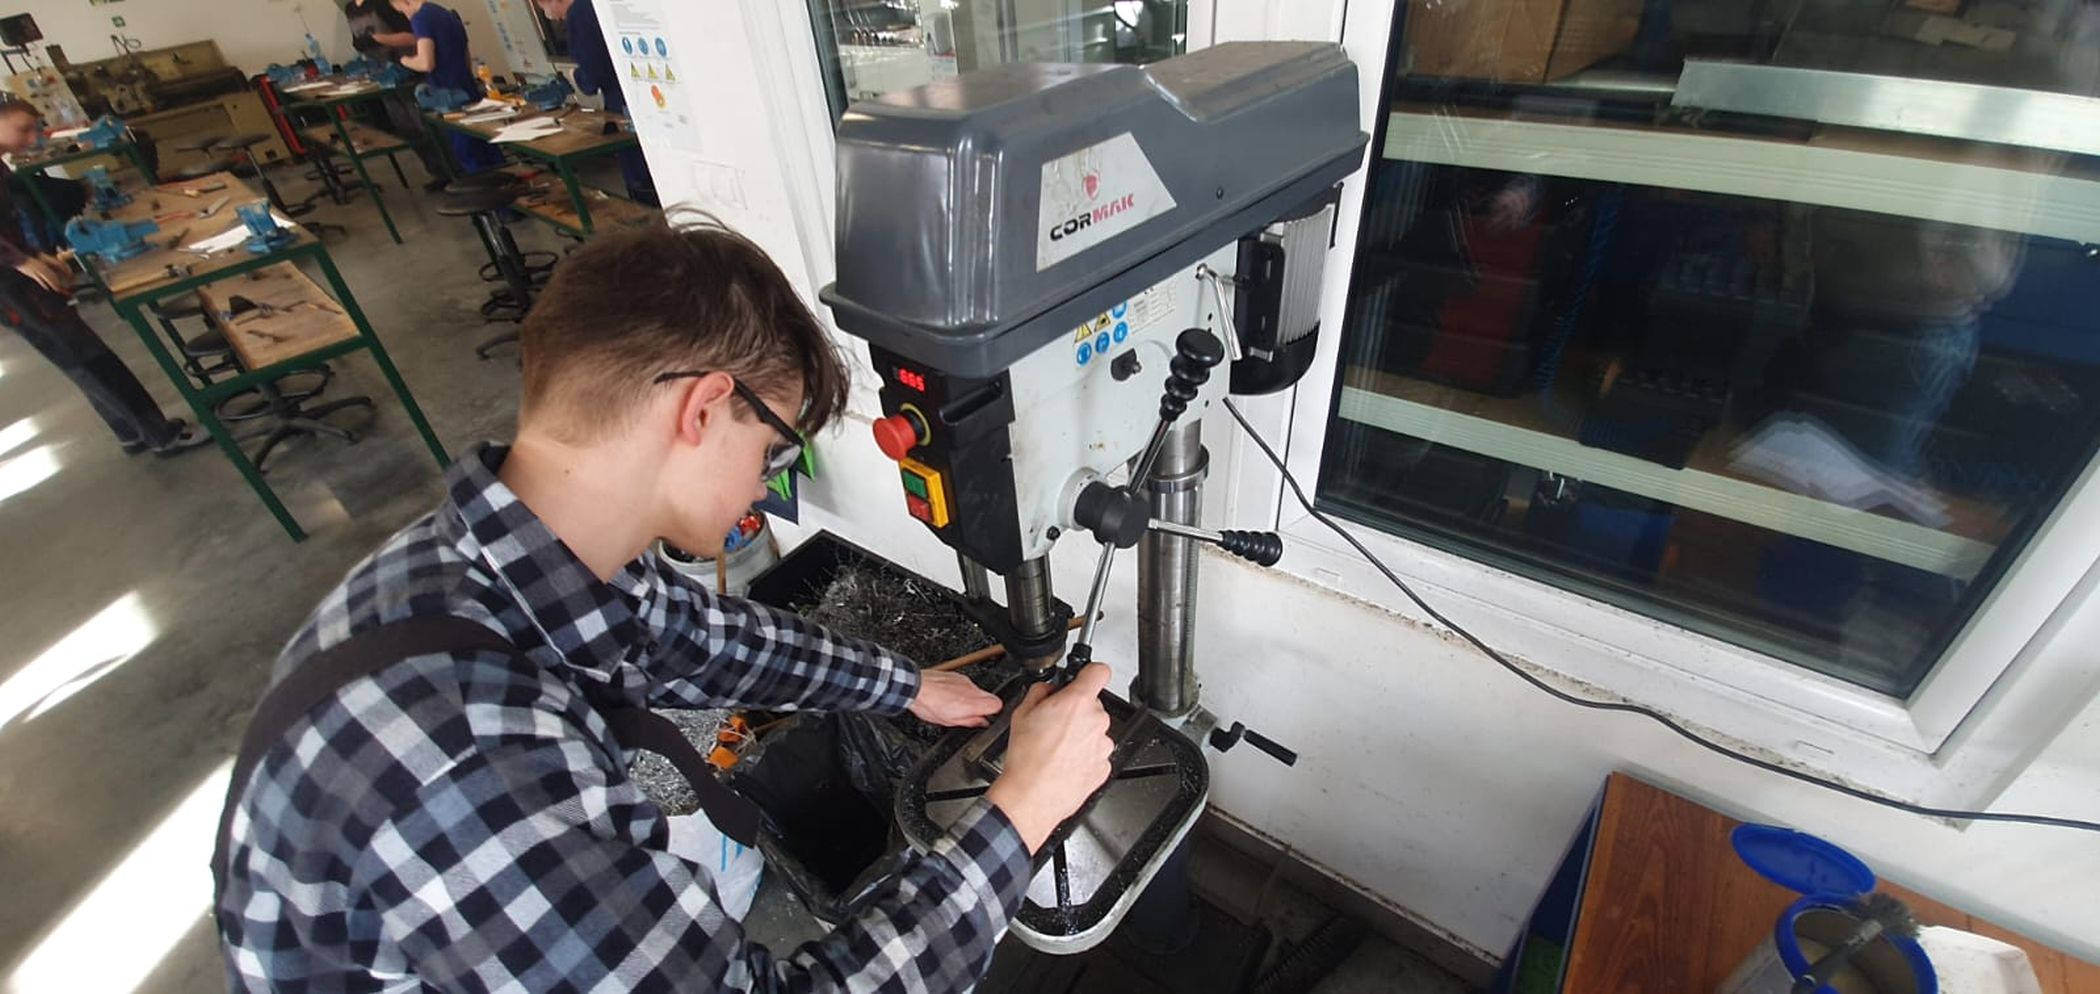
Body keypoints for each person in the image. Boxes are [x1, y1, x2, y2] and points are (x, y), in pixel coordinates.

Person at [216, 217, 1117, 991]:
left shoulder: (494, 560)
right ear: (704, 409)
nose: (763, 489)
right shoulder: (462, 751)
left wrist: (905, 686)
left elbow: (691, 637)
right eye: (772, 453)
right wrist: (1021, 814)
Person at [0, 98, 206, 456]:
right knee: (86, 356)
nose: (32, 139)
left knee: (74, 356)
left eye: (35, 129)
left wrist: (37, 255)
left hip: (15, 274)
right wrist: (20, 261)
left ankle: (130, 431)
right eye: (23, 130)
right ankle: (161, 436)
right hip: (10, 286)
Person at [533, 0, 658, 205]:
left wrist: (576, 76)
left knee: (642, 179)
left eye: (545, 7)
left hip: (624, 103)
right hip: (651, 95)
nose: (551, 16)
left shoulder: (579, 14)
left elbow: (592, 77)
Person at [343, 0, 452, 186]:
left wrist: (379, 39)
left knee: (426, 124)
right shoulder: (350, 9)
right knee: (406, 128)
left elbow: (413, 36)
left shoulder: (382, 4)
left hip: (409, 71)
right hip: (384, 76)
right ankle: (438, 172)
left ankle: (455, 171)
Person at [391, 0, 503, 173]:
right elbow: (466, 55)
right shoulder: (444, 13)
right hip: (466, 84)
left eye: (401, 11)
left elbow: (426, 63)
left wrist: (403, 60)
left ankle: (486, 185)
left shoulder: (421, 18)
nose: (405, 17)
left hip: (448, 92)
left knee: (467, 151)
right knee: (485, 143)